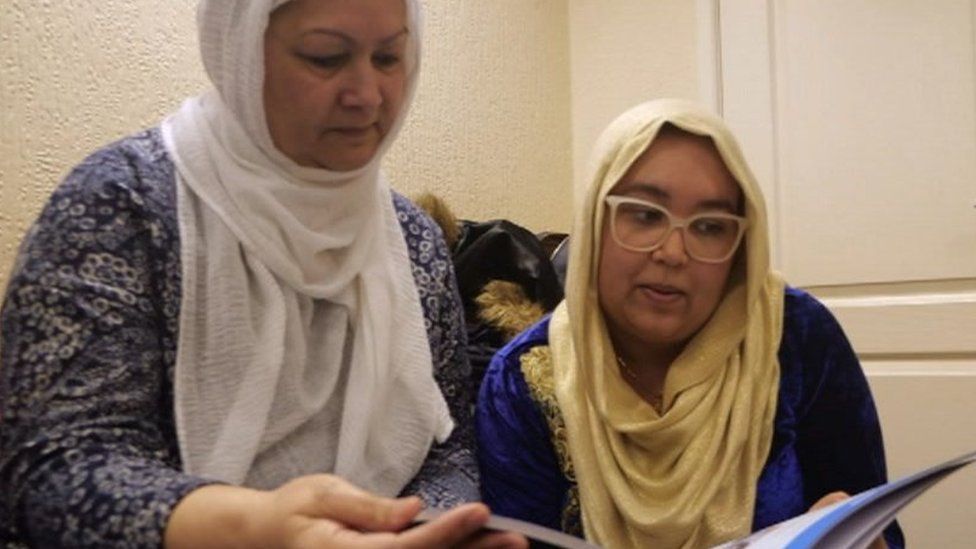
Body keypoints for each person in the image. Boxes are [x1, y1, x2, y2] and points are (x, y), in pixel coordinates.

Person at [0, 1, 526, 548]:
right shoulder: (121, 206)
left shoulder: (411, 239)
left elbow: (448, 445)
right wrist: (254, 528)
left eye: (389, 56)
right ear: (240, 51)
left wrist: (419, 528)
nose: (368, 95)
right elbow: (50, 468)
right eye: (326, 57)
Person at [476, 99, 905, 548]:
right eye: (644, 216)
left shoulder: (795, 336)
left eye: (710, 227)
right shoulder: (523, 381)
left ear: (740, 248)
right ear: (594, 222)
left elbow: (880, 527)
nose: (673, 253)